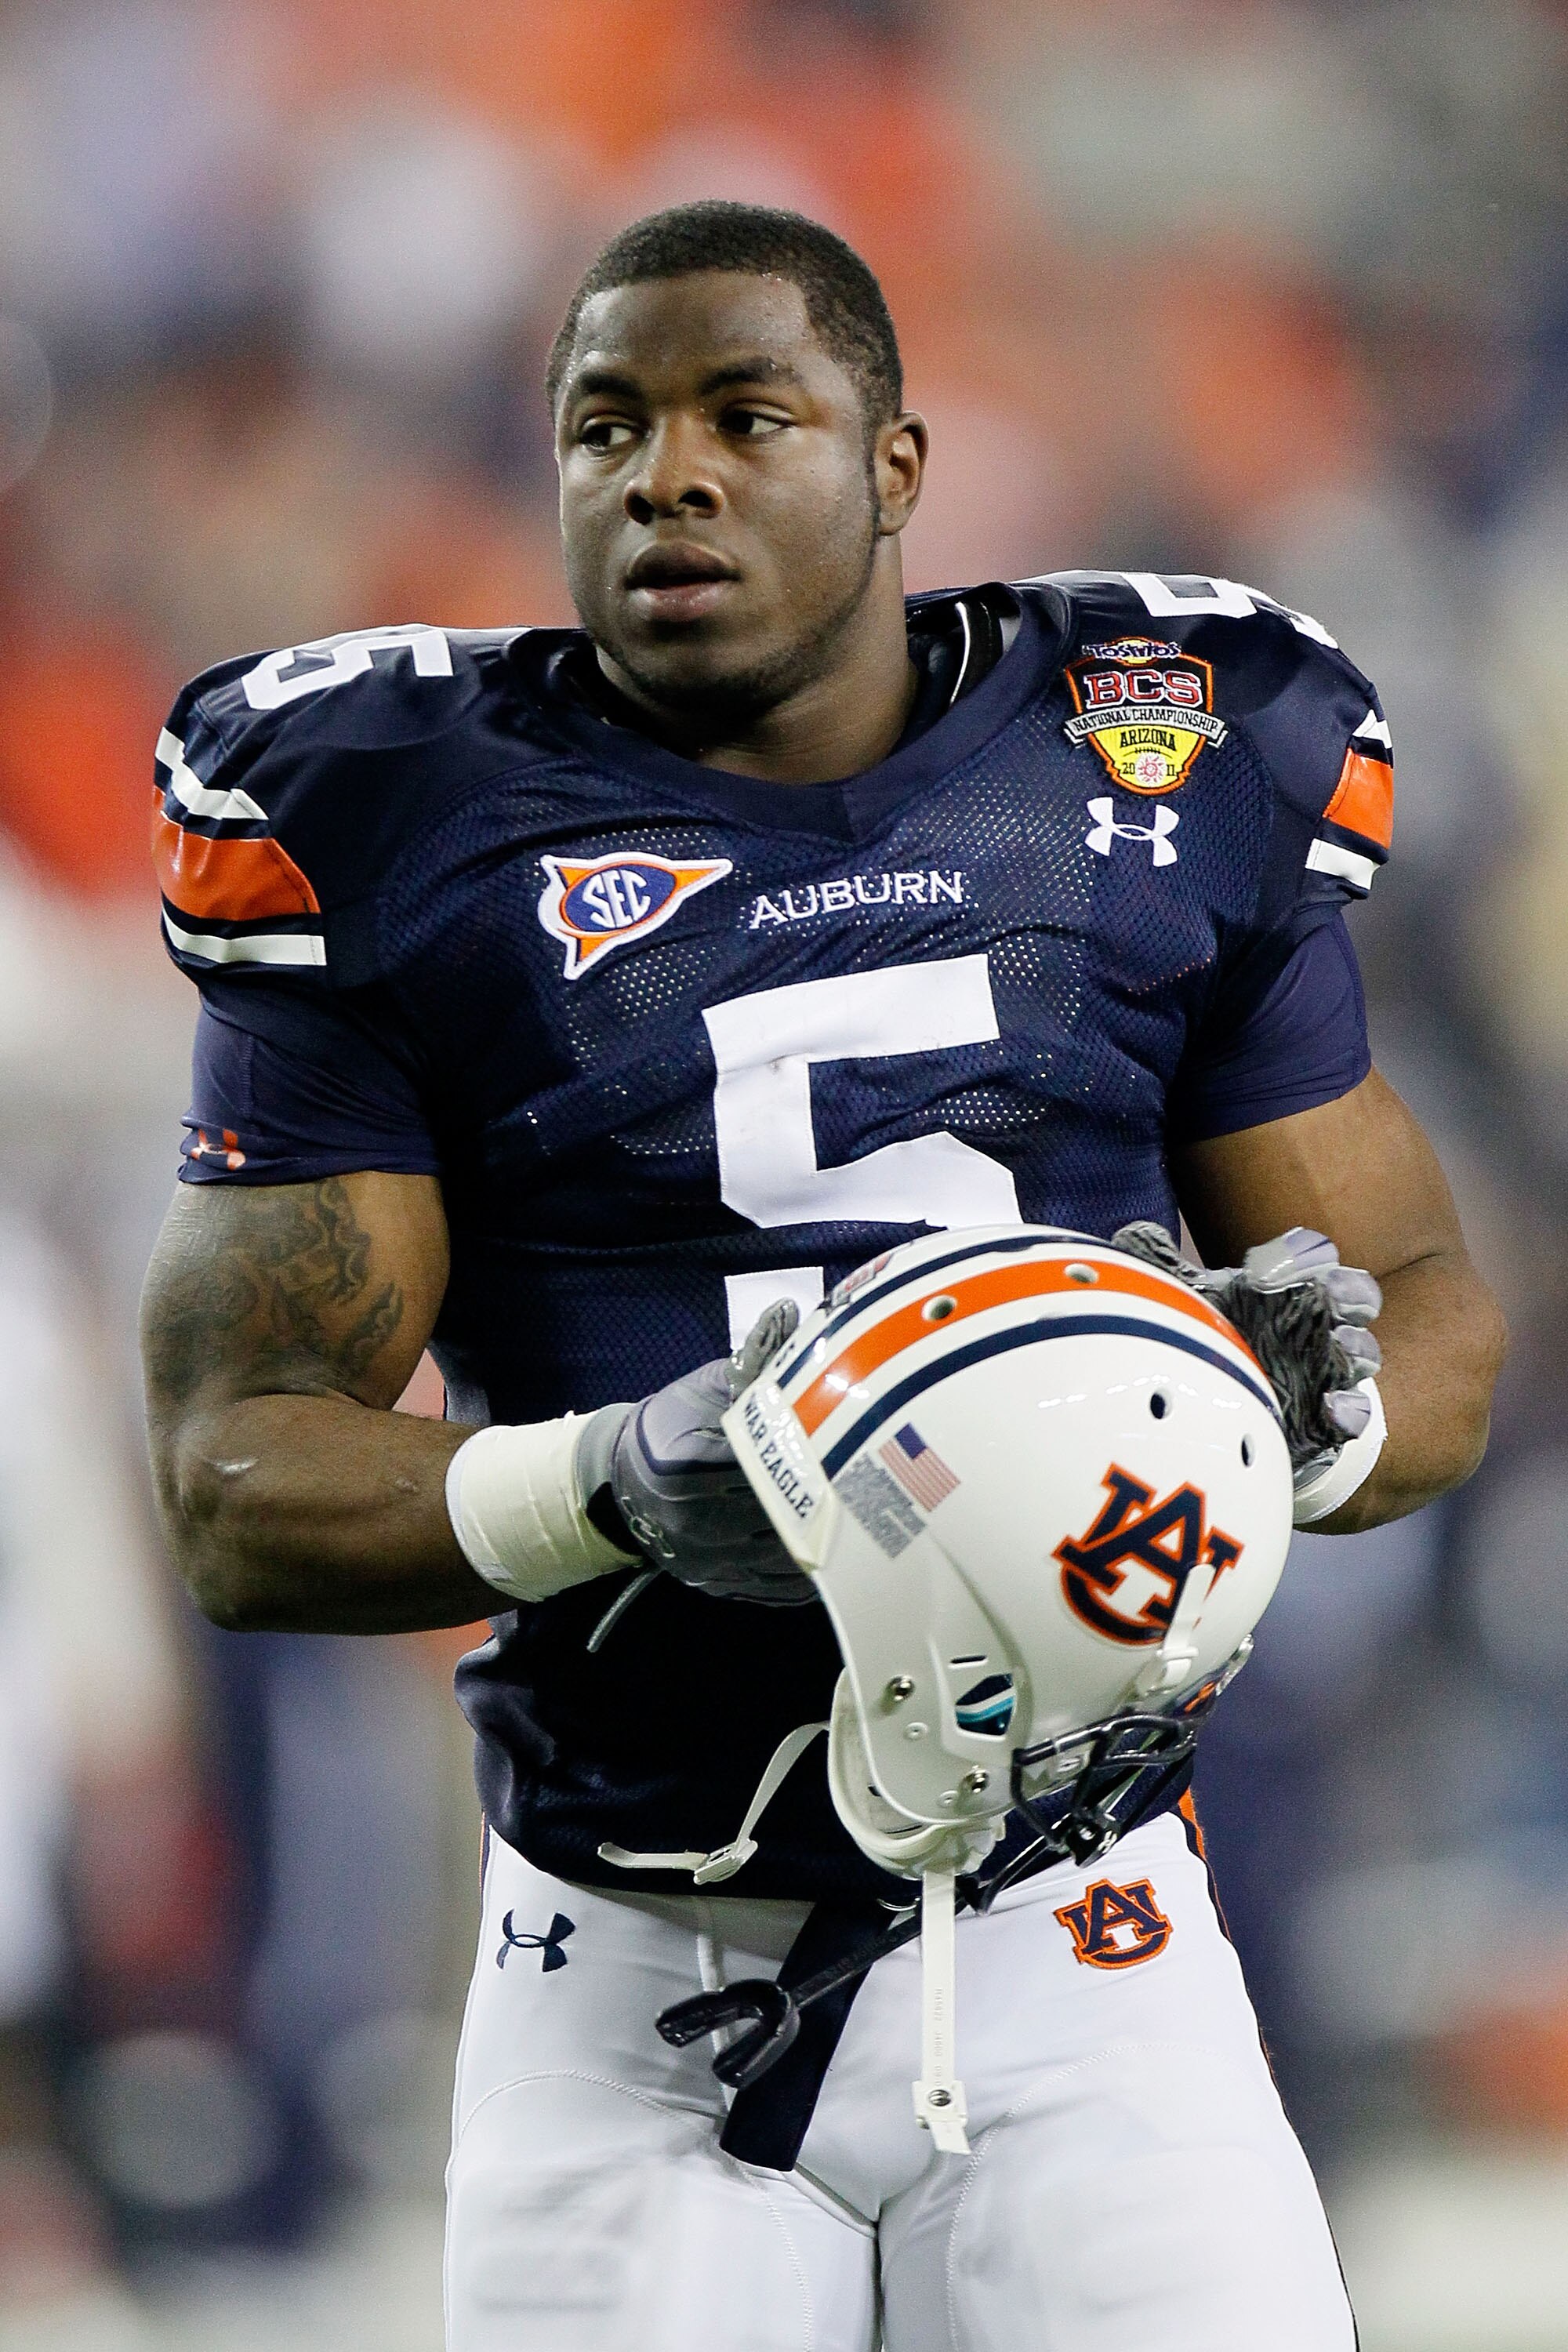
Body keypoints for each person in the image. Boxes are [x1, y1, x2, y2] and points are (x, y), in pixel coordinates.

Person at [140, 202, 1504, 2350]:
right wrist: (609, 1482)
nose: (662, 475)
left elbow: (1422, 1307)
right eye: (605, 425)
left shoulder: (1158, 749)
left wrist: (1292, 1426)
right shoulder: (399, 818)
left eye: (743, 415)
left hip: (1087, 1935)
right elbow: (234, 1484)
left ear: (894, 465)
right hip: (630, 1973)